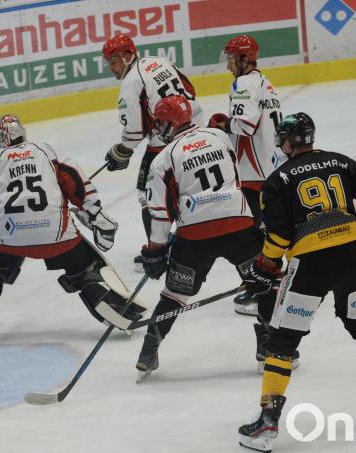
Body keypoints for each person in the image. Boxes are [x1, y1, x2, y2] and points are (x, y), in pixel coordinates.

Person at [237, 113, 356, 453]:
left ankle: (268, 420)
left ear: (286, 143)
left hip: (310, 265)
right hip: (353, 256)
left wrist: (266, 265)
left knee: (283, 340)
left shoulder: (277, 180)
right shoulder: (341, 162)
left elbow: (278, 235)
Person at [0, 114, 146, 341]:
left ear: (0, 139)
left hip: (7, 241)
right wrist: (94, 213)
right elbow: (78, 185)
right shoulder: (49, 151)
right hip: (58, 239)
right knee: (86, 266)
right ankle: (114, 306)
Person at [135, 95, 284, 382]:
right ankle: (269, 345)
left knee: (175, 294)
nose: (160, 128)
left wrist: (155, 251)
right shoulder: (219, 137)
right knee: (266, 282)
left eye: (163, 122)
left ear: (174, 122)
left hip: (195, 234)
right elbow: (235, 175)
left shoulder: (164, 158)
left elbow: (161, 213)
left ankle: (149, 348)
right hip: (238, 224)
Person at [101, 33, 204, 271]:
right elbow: (190, 89)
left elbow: (134, 132)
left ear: (127, 57)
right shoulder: (158, 61)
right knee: (186, 187)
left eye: (113, 62)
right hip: (196, 123)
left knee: (146, 192)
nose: (110, 68)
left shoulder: (130, 83)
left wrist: (121, 151)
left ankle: (160, 252)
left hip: (167, 138)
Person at [208, 34, 286, 317]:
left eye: (230, 59)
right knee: (273, 230)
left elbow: (246, 125)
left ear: (243, 59)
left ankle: (267, 290)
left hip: (255, 174)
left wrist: (222, 124)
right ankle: (283, 285)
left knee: (254, 234)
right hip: (271, 167)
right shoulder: (266, 82)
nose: (228, 66)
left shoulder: (243, 83)